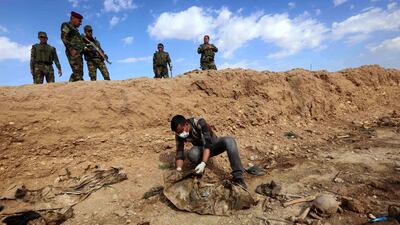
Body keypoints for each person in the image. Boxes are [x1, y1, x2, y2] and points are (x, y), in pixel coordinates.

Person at [170, 115, 247, 189]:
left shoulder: (199, 122)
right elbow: (179, 152)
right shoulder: (179, 134)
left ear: (186, 124)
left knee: (229, 141)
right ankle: (200, 168)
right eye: (178, 133)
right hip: (201, 149)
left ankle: (238, 178)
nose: (180, 134)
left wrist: (203, 163)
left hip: (213, 145)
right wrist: (179, 169)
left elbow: (207, 144)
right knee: (192, 154)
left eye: (181, 131)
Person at [60, 11, 85, 82]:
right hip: (73, 52)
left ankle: (70, 86)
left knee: (79, 73)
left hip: (79, 53)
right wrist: (71, 49)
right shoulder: (66, 25)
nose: (80, 23)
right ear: (73, 18)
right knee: (78, 74)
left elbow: (79, 42)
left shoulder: (76, 30)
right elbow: (64, 37)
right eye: (79, 21)